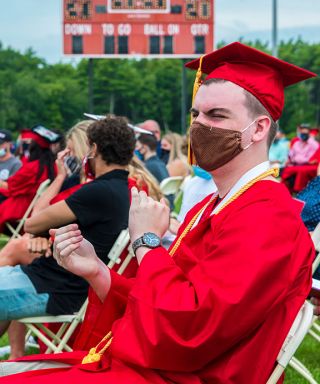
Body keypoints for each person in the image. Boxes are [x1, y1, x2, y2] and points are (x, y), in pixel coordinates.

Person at [0, 42, 316, 384]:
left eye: (217, 115)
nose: (199, 126)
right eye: (196, 115)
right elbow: (158, 303)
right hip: (159, 367)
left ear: (258, 129)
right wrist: (98, 273)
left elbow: (190, 329)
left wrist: (147, 242)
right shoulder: (215, 206)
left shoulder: (267, 217)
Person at [0, 116, 136, 359]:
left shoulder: (99, 191)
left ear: (93, 149)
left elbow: (32, 222)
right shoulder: (119, 189)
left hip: (55, 289)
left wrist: (60, 177)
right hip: (54, 281)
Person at [0, 120, 93, 267]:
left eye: (71, 150)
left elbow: (11, 187)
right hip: (40, 221)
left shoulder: (89, 187)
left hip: (22, 208)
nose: (66, 155)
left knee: (15, 247)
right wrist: (61, 176)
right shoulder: (61, 173)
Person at [0, 126, 58, 233]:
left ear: (33, 146)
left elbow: (11, 187)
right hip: (36, 205)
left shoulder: (33, 167)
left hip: (22, 207)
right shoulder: (52, 165)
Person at [282, 124, 320, 192]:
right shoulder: (296, 143)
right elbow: (291, 154)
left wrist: (297, 160)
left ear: (309, 134)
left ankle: (298, 190)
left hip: (308, 165)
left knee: (301, 171)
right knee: (287, 169)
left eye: (305, 133)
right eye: (302, 133)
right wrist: (289, 160)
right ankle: (285, 189)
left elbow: (311, 159)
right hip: (297, 164)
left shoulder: (313, 144)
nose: (303, 135)